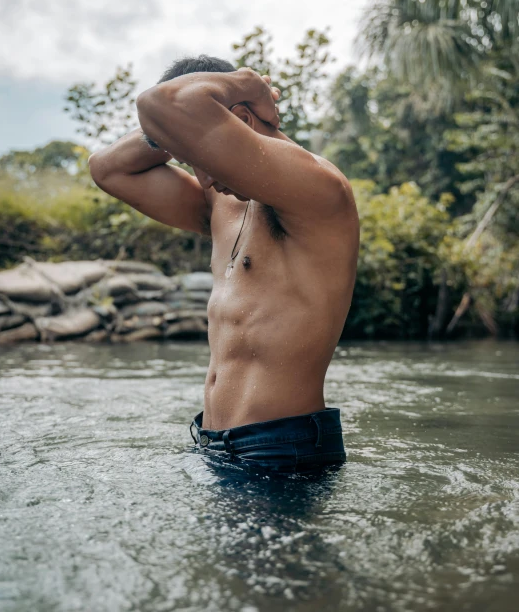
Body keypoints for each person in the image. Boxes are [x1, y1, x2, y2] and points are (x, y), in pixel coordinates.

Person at [89, 56, 359, 474]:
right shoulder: (220, 203)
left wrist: (245, 82)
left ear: (243, 118)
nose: (205, 179)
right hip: (212, 443)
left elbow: (164, 103)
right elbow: (107, 169)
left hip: (279, 449)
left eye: (200, 157)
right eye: (188, 160)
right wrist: (170, 135)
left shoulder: (319, 189)